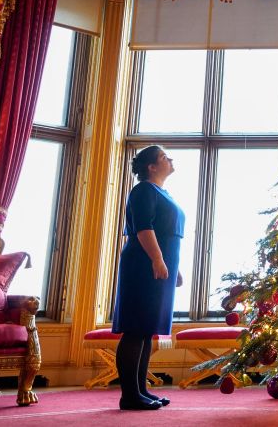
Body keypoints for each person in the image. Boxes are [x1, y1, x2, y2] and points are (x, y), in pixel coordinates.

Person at [112, 146, 184, 411]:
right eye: (165, 157)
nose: (171, 159)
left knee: (145, 331)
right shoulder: (143, 190)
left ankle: (141, 391)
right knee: (135, 329)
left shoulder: (162, 193)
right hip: (143, 265)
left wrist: (171, 266)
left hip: (156, 265)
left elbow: (167, 234)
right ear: (151, 167)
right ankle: (129, 396)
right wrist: (157, 259)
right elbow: (143, 228)